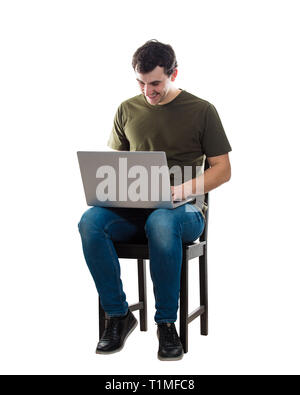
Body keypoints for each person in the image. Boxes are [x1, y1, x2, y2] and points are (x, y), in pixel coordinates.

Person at [78, 39, 232, 361]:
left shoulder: (202, 111)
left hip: (184, 211)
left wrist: (183, 190)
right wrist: (108, 190)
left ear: (174, 73)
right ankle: (118, 314)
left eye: (156, 83)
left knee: (161, 221)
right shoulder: (126, 109)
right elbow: (118, 166)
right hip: (136, 211)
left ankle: (166, 323)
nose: (148, 90)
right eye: (142, 82)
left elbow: (223, 170)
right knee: (90, 221)